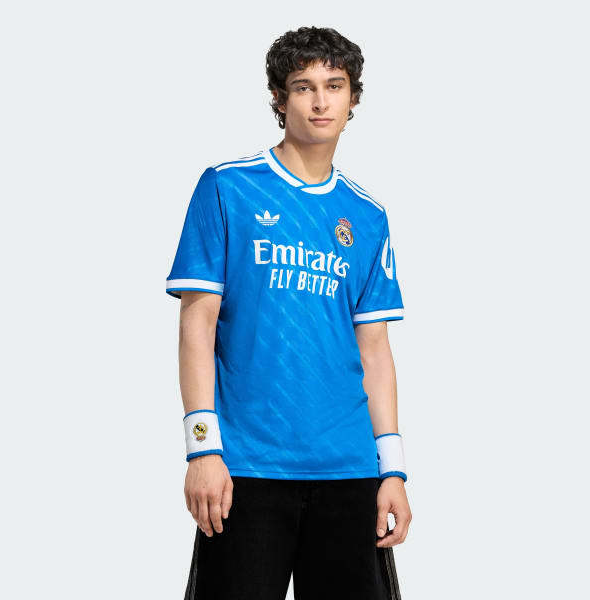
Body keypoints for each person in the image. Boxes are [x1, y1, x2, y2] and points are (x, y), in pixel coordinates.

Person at [166, 26, 412, 600]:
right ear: (279, 98)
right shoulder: (228, 187)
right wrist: (202, 448)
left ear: (353, 98)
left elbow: (375, 352)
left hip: (350, 469)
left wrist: (394, 470)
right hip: (248, 466)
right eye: (304, 87)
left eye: (335, 85)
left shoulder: (367, 216)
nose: (321, 101)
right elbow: (197, 326)